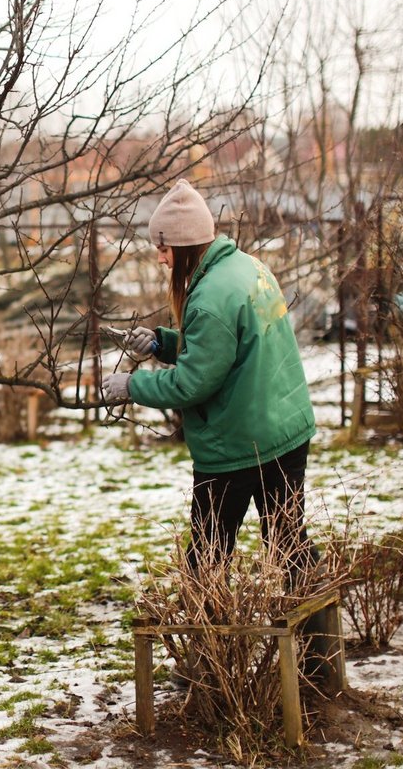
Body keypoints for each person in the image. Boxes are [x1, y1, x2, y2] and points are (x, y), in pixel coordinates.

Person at [100, 179, 319, 584]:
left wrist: (131, 387)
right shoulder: (248, 267)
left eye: (163, 249)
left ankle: (207, 644)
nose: (162, 260)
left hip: (238, 443)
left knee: (207, 557)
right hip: (284, 429)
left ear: (182, 246)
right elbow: (229, 348)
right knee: (290, 545)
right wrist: (162, 344)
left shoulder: (209, 297)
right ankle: (318, 642)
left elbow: (192, 384)